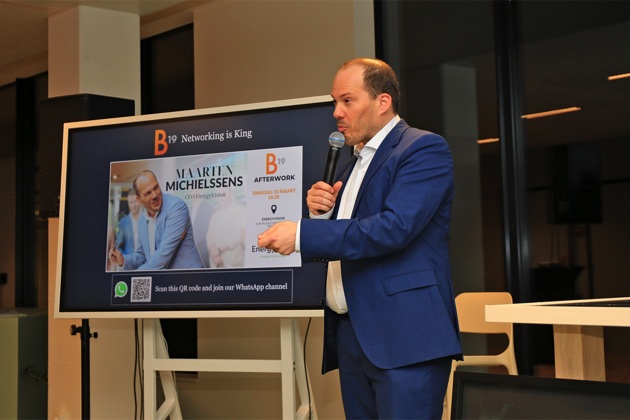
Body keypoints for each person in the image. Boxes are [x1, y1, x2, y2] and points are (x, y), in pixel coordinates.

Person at [257, 58, 462, 419]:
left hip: (405, 338)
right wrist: (321, 215)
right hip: (353, 336)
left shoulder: (423, 149)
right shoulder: (354, 162)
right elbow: (352, 237)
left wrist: (303, 233)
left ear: (383, 102)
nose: (336, 112)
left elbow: (393, 229)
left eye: (347, 100)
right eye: (334, 101)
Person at [109, 170, 204, 270]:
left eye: (156, 188)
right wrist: (123, 260)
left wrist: (134, 276)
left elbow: (162, 255)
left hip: (190, 277)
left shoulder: (176, 207)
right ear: (139, 200)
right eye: (148, 193)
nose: (154, 195)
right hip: (164, 279)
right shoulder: (142, 220)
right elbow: (142, 255)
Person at [206, 188, 246, 268]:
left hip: (233, 264)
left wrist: (219, 251)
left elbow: (239, 235)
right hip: (215, 264)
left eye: (224, 193)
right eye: (219, 194)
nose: (221, 196)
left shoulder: (240, 210)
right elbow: (209, 236)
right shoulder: (215, 215)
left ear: (230, 194)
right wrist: (214, 254)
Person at [115, 189, 141, 255]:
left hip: (144, 260)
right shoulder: (123, 222)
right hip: (128, 259)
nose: (133, 205)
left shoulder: (147, 219)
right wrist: (124, 258)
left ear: (139, 201)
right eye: (131, 202)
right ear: (128, 204)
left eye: (135, 201)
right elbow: (119, 246)